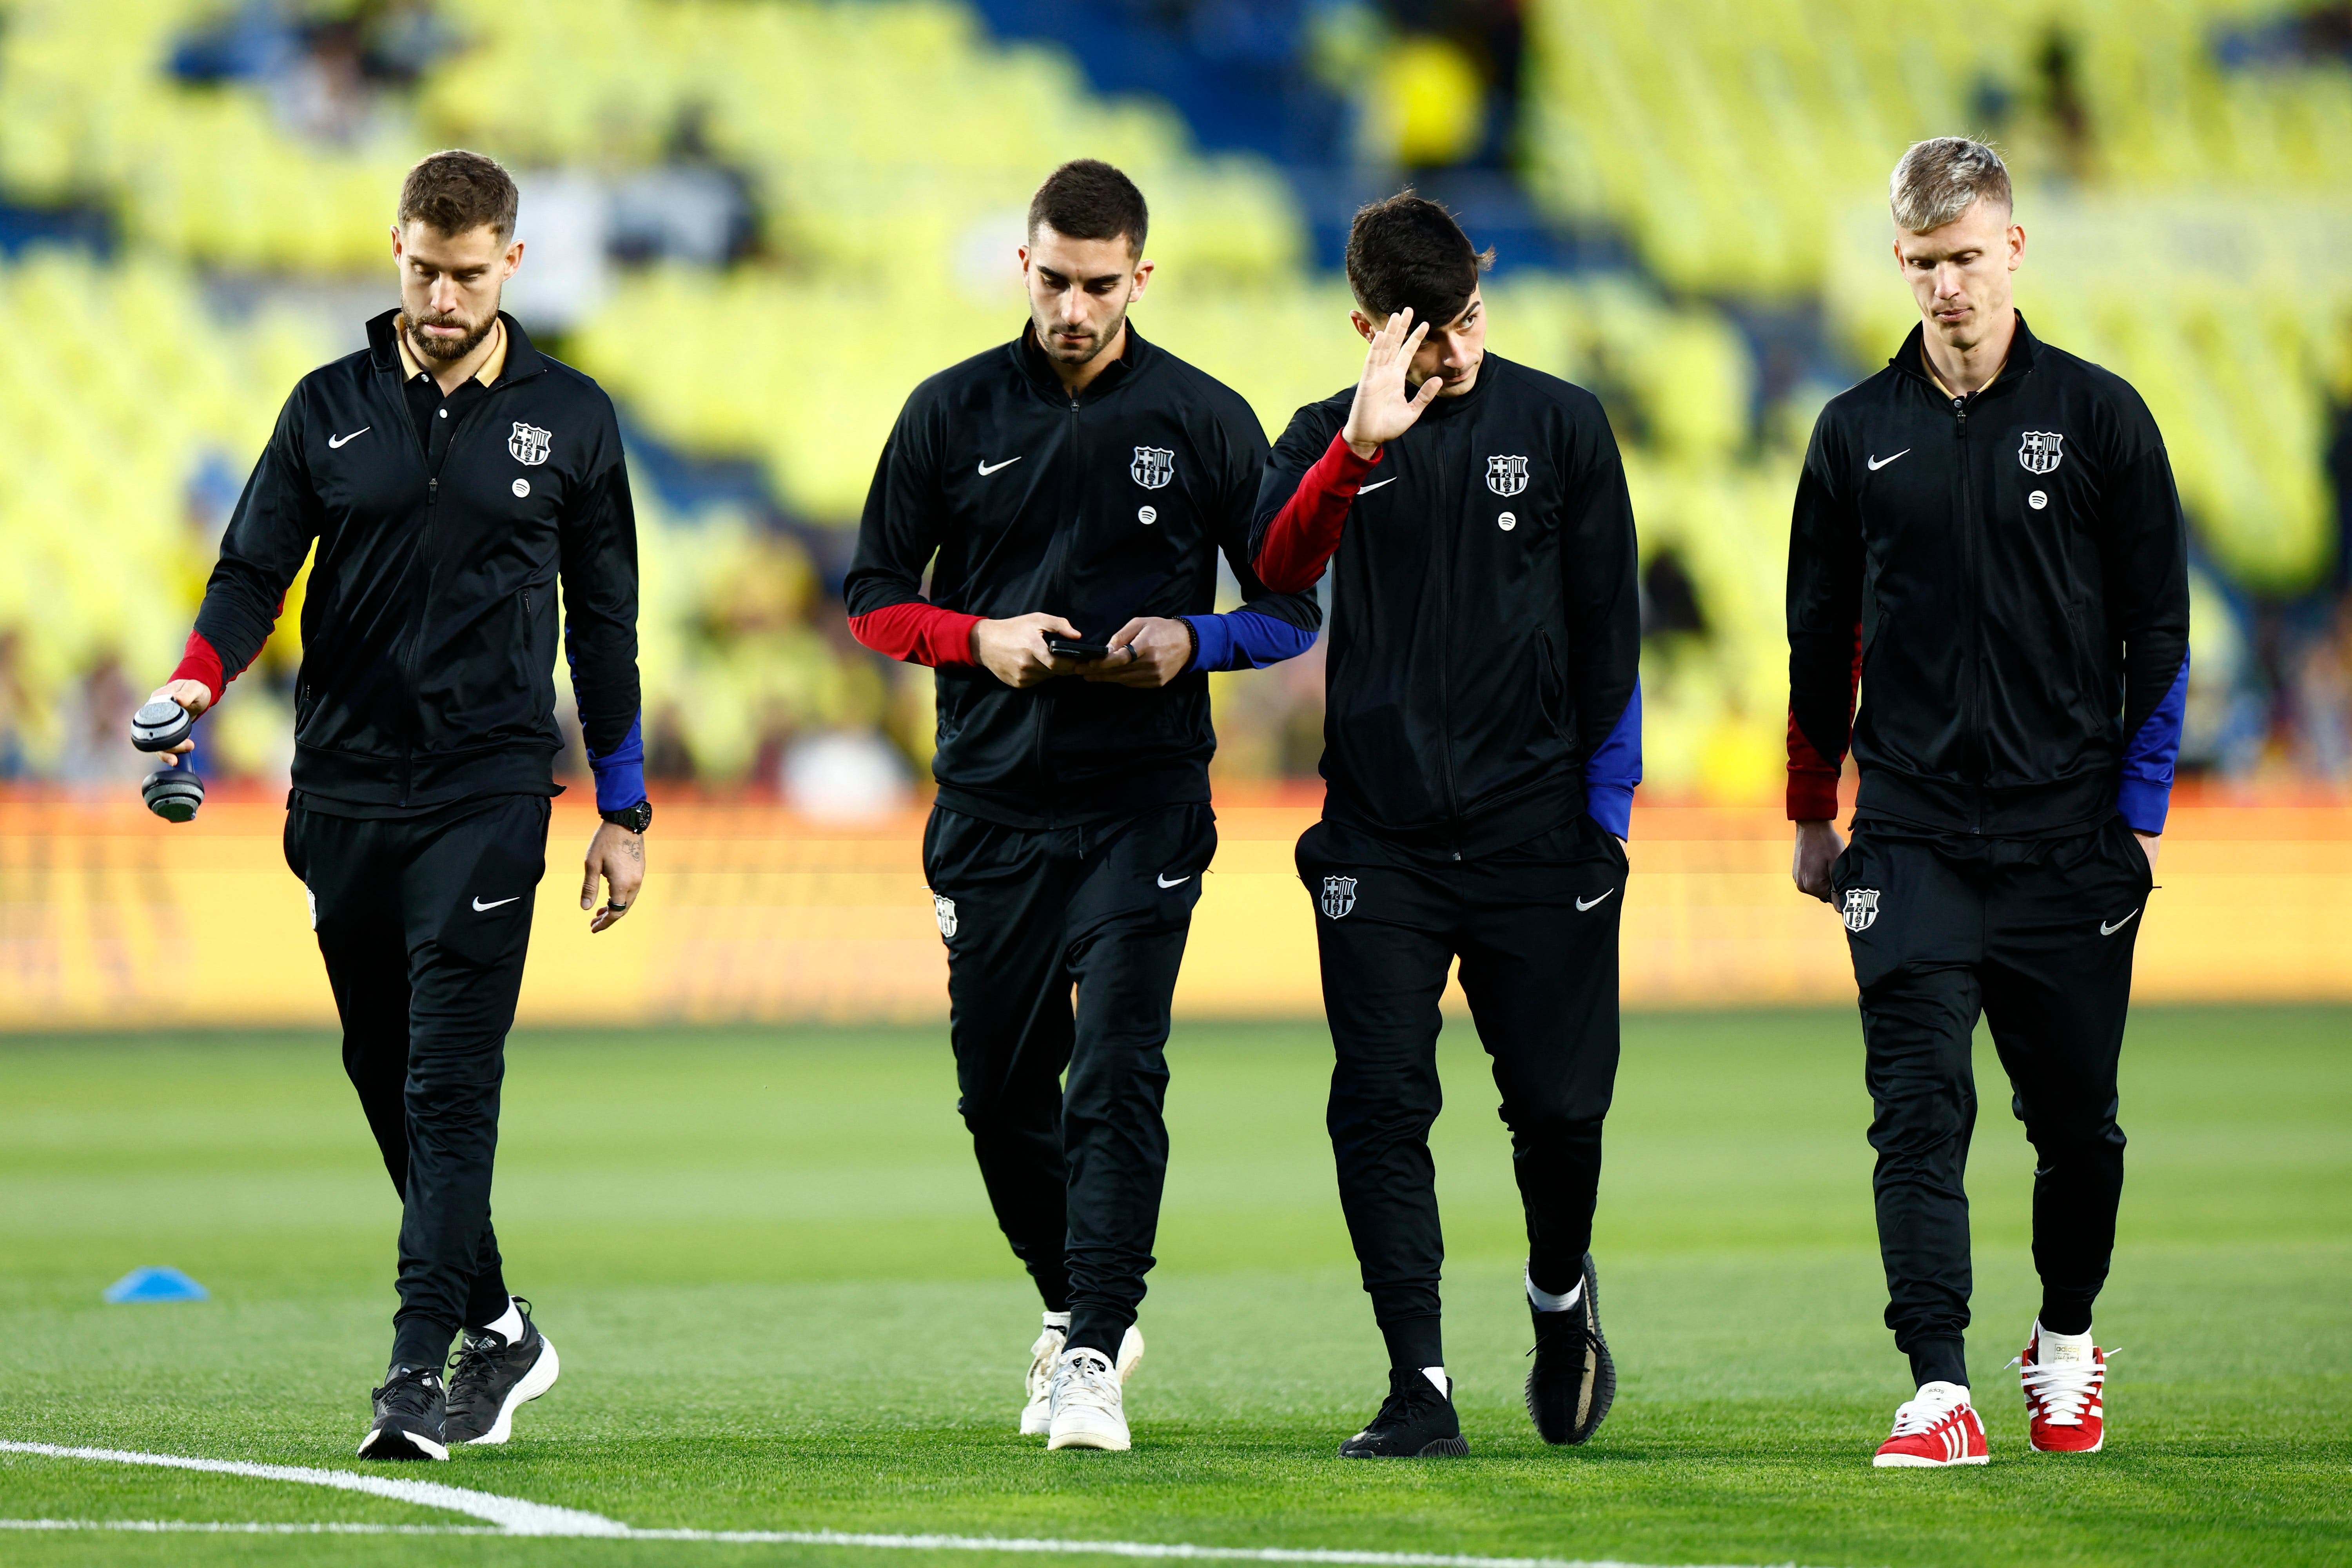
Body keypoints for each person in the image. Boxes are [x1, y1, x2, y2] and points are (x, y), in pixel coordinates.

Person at [145, 149, 651, 1461]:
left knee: (446, 1085)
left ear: (513, 265)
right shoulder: (328, 407)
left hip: (490, 790)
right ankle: (500, 1324)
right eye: (423, 269)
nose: (440, 295)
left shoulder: (575, 419)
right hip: (344, 793)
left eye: (467, 273)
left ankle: (415, 1372)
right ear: (397, 251)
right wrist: (196, 684)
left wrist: (626, 806)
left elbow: (605, 627)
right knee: (384, 1073)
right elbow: (252, 569)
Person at [843, 159, 1321, 1452]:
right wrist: (976, 641)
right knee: (999, 1099)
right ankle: (1073, 1303)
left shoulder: (1206, 419)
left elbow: (1290, 607)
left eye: (1098, 286)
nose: (1072, 306)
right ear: (1025, 265)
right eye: (1053, 279)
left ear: (1140, 280)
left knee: (1118, 1070)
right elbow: (874, 595)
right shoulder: (947, 414)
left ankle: (1094, 1351)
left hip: (1142, 801)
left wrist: (1198, 640)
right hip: (991, 803)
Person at [1785, 138, 2189, 1467]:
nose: (1948, 286)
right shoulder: (1854, 435)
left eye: (1967, 258)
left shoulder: (2102, 419)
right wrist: (1812, 811)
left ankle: (2063, 1342)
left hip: (2067, 838)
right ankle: (1938, 1387)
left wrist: (2135, 820)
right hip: (1905, 836)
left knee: (2077, 1127)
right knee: (1916, 1109)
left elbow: (2160, 632)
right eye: (1923, 264)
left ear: (2015, 249)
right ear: (1896, 265)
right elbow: (1817, 635)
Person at [1252, 194, 1641, 1459]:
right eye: (1428, 337)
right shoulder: (1326, 438)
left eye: (1472, 321)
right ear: (1370, 326)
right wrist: (1357, 452)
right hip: (1381, 840)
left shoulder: (1566, 425)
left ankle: (1559, 1299)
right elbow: (1272, 571)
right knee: (1376, 1103)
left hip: (1540, 838)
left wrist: (1603, 828)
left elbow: (1609, 641)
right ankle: (1418, 1383)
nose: (1458, 355)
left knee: (1560, 1111)